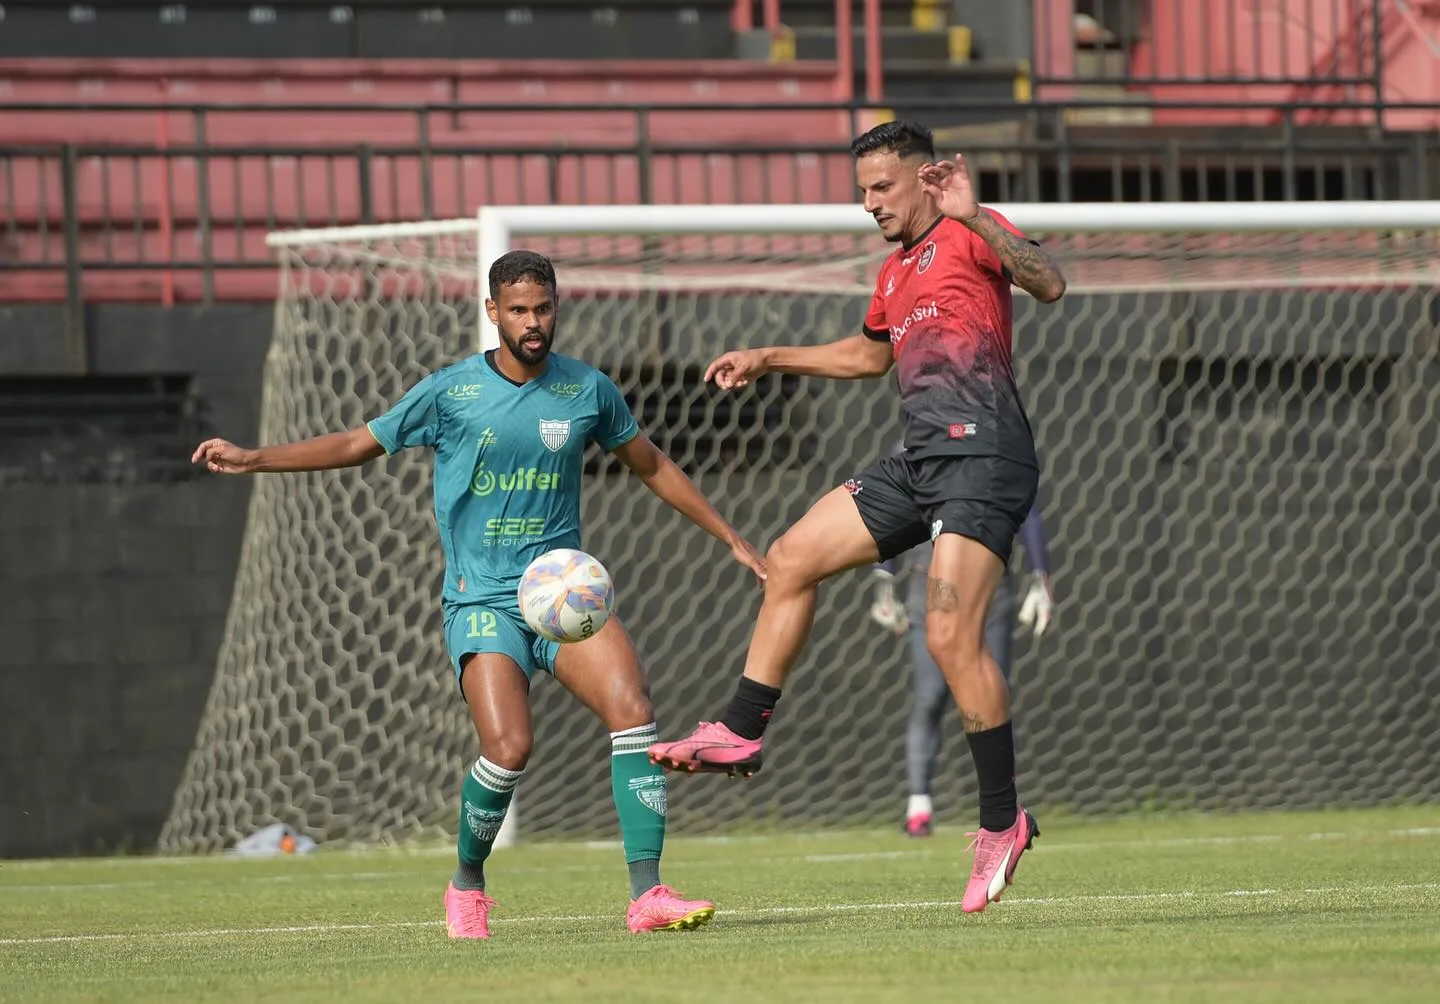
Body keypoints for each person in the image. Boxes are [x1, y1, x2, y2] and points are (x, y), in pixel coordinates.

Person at [192, 250, 767, 939]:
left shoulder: (586, 389)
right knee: (509, 746)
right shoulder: (451, 392)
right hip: (483, 601)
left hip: (561, 598)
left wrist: (728, 535)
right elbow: (357, 442)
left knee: (633, 709)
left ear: (557, 307)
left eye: (543, 308)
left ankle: (647, 895)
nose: (532, 322)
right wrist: (255, 456)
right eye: (518, 310)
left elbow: (652, 464)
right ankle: (467, 884)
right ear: (492, 311)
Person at [648, 120, 1067, 913]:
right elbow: (869, 356)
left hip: (984, 456)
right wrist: (770, 357)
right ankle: (743, 726)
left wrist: (977, 214)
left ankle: (1000, 821)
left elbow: (1048, 283)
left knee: (947, 635)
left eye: (882, 187)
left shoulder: (970, 231)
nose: (870, 203)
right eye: (862, 192)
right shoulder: (893, 271)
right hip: (920, 462)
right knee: (793, 554)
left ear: (924, 178)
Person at [870, 504, 1054, 838]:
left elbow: (1028, 509)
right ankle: (918, 806)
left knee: (993, 695)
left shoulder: (1003, 451)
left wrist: (1040, 574)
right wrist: (884, 575)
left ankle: (1004, 808)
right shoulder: (914, 449)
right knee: (930, 696)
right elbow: (892, 507)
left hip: (991, 586)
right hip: (930, 585)